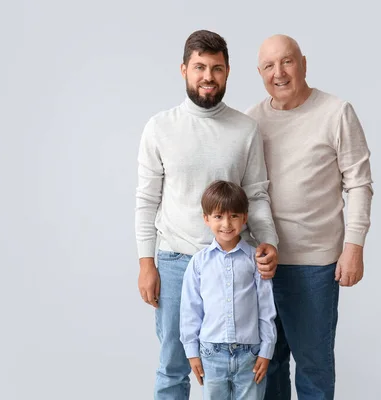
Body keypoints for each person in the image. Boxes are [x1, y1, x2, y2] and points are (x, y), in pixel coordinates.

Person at [135, 30, 279, 400]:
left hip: (234, 262)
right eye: (199, 67)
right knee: (173, 365)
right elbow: (146, 200)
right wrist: (146, 263)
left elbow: (257, 194)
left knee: (240, 368)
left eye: (216, 68)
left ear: (228, 72)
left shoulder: (246, 130)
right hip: (175, 260)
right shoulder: (160, 127)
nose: (208, 77)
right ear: (184, 69)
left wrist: (268, 243)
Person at [245, 34, 374, 400]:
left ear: (303, 62)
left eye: (286, 61)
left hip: (315, 265)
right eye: (269, 66)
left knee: (314, 365)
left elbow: (360, 184)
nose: (279, 72)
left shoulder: (336, 112)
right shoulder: (251, 120)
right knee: (265, 365)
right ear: (259, 73)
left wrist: (353, 248)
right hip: (261, 264)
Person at [180, 180, 277, 400]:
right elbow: (190, 310)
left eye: (234, 215)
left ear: (244, 218)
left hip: (250, 355)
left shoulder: (255, 259)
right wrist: (192, 352)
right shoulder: (199, 262)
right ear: (206, 219)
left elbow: (266, 308)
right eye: (218, 216)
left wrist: (266, 350)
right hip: (211, 353)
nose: (226, 223)